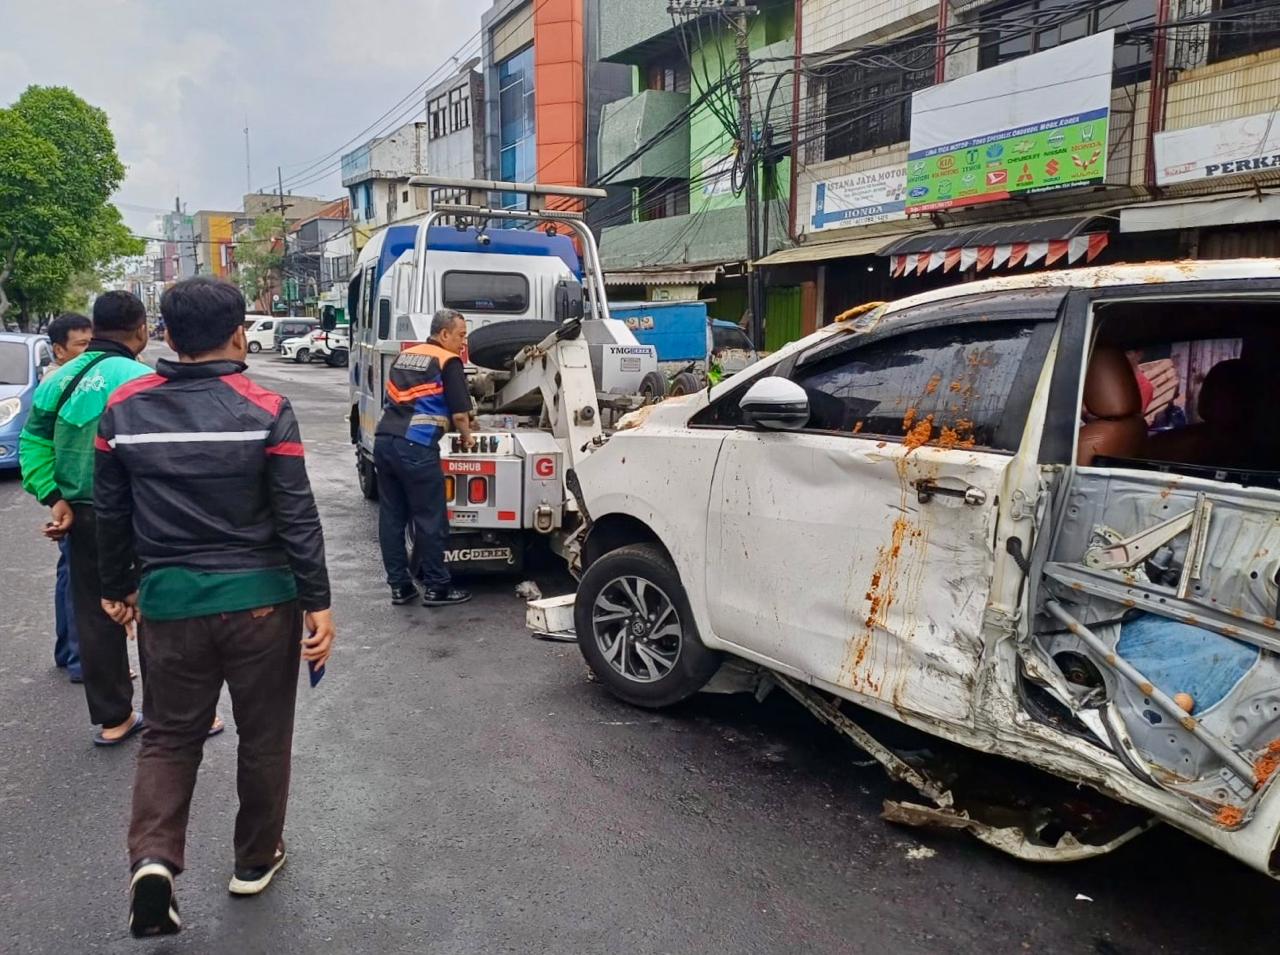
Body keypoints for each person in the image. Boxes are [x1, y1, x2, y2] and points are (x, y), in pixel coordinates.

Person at [94, 277, 334, 936]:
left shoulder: (124, 409)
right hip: (263, 605)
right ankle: (255, 859)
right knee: (264, 738)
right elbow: (297, 514)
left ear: (166, 334)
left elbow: (111, 512)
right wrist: (319, 601)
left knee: (170, 738)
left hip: (170, 607)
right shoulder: (265, 406)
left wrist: (116, 587)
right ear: (237, 336)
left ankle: (153, 862)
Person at [19, 293, 152, 744]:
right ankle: (181, 713)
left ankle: (114, 719)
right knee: (156, 608)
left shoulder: (57, 381)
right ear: (140, 330)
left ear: (95, 329)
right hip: (143, 513)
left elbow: (33, 444)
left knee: (96, 615)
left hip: (83, 514)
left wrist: (54, 497)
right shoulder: (144, 379)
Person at [373, 308, 474, 606]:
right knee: (430, 518)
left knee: (392, 518)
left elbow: (394, 399)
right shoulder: (448, 361)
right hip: (416, 446)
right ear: (444, 334)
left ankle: (400, 587)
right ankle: (437, 587)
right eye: (460, 336)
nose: (463, 343)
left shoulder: (406, 356)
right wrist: (467, 436)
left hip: (384, 441)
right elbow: (460, 413)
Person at [44, 312, 93, 683]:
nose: (90, 353)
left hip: (66, 493)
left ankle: (67, 651)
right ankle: (82, 660)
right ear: (59, 350)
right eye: (82, 346)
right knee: (82, 581)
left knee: (69, 573)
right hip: (74, 494)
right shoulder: (61, 384)